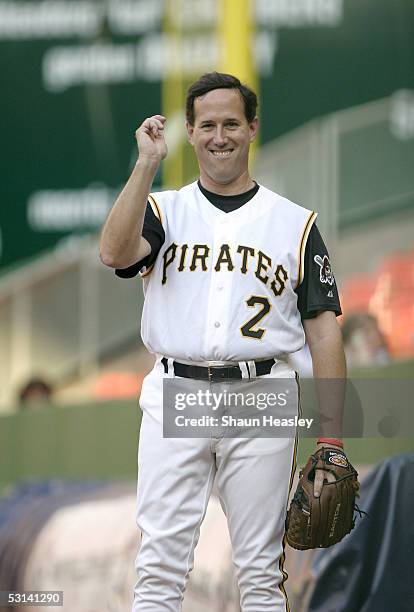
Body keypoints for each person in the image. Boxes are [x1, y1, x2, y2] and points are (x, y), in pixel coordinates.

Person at [100, 72, 347, 612]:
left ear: (252, 128)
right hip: (177, 387)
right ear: (189, 132)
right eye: (207, 124)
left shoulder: (294, 224)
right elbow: (114, 253)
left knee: (260, 570)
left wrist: (333, 438)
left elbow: (325, 331)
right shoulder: (164, 210)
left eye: (231, 123)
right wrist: (146, 164)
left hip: (261, 392)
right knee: (159, 566)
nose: (220, 136)